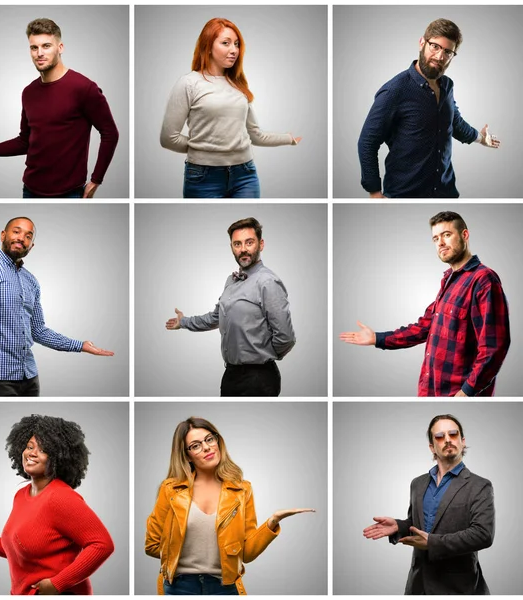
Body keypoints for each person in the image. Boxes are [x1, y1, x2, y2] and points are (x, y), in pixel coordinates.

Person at [339, 211, 510, 396]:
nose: (441, 243)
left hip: (457, 394)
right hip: (430, 390)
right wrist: (377, 338)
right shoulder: (449, 281)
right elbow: (423, 327)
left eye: (447, 235)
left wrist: (467, 391)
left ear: (465, 235)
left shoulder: (484, 280)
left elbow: (494, 347)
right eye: (436, 238)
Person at [0, 18, 119, 198]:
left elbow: (110, 133)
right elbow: (25, 141)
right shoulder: (29, 92)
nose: (39, 53)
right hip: (30, 190)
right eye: (34, 47)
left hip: (70, 193)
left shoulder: (84, 88)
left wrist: (96, 180)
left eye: (46, 46)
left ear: (60, 48)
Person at [145, 417, 314, 595]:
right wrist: (179, 554)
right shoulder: (171, 490)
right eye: (195, 445)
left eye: (209, 439)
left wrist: (273, 521)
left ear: (218, 441)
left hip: (224, 587)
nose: (206, 447)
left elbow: (247, 554)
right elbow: (152, 544)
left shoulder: (241, 489)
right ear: (186, 455)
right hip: (180, 587)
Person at [0, 414, 115, 595]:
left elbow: (102, 544)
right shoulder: (21, 496)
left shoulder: (60, 498)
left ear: (58, 457)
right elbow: (17, 550)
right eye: (29, 447)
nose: (32, 453)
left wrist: (57, 583)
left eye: (43, 450)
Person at [0, 216, 114, 396]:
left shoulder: (31, 281)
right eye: (16, 231)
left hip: (30, 378)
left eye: (28, 236)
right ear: (3, 235)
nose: (22, 238)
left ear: (31, 246)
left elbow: (37, 330)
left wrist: (80, 345)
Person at [358, 18, 500, 199]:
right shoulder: (394, 90)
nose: (440, 56)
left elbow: (454, 123)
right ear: (422, 43)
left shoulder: (447, 86)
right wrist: (375, 193)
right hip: (405, 195)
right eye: (435, 47)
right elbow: (367, 142)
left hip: (446, 192)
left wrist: (481, 139)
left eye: (448, 52)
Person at [160, 18, 302, 198]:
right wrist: (203, 150)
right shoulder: (188, 83)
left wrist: (289, 139)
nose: (234, 50)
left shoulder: (238, 85)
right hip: (203, 178)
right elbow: (168, 138)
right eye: (225, 43)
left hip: (245, 175)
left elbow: (255, 135)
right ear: (208, 46)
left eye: (236, 44)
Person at [363, 414, 494, 594]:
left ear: (463, 441)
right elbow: (419, 524)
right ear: (432, 447)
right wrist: (399, 526)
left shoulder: (480, 485)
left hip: (458, 588)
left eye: (453, 434)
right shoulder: (418, 483)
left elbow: (483, 534)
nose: (447, 440)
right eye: (440, 437)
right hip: (418, 585)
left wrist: (432, 542)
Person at [165, 217, 295, 396]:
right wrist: (184, 322)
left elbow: (286, 338)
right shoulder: (231, 281)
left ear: (261, 244)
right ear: (232, 247)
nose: (243, 249)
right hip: (230, 375)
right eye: (237, 244)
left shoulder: (267, 282)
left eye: (249, 242)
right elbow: (216, 317)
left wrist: (263, 355)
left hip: (259, 378)